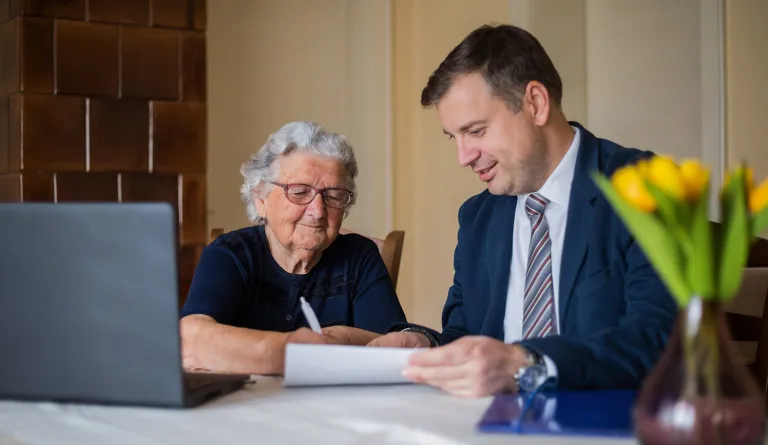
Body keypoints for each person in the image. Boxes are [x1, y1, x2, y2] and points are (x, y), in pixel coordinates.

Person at [369, 24, 677, 397]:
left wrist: (528, 364)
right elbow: (467, 336)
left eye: (477, 131)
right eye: (455, 138)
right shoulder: (477, 218)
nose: (463, 157)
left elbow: (658, 338)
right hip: (489, 425)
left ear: (535, 103)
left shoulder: (643, 187)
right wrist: (426, 344)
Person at [181, 121, 407, 375]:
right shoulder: (231, 254)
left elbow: (393, 349)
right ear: (261, 199)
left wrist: (334, 340)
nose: (318, 211)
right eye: (299, 192)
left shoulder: (359, 257)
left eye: (333, 196)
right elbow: (190, 342)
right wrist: (296, 350)